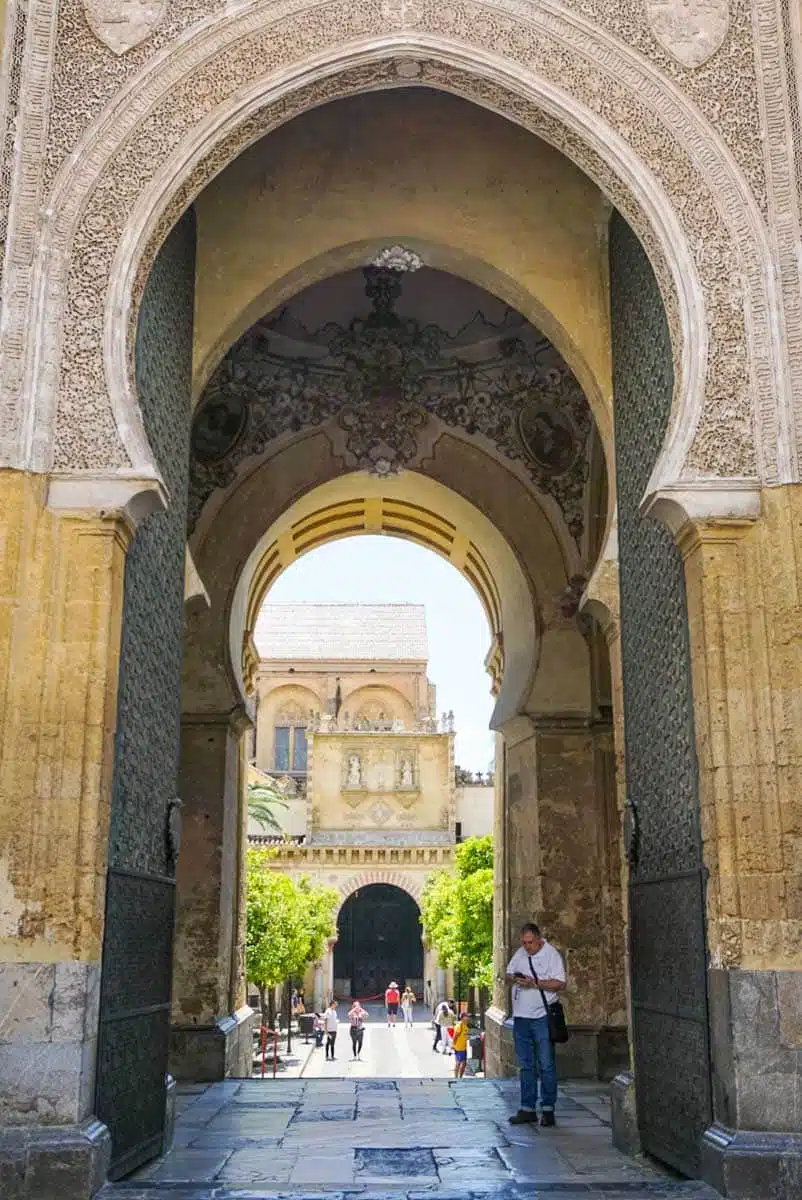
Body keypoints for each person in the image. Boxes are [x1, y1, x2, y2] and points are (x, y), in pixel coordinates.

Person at [505, 921, 566, 1127]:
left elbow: (560, 984)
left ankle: (548, 1108)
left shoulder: (551, 955)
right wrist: (515, 979)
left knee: (546, 1064)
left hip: (541, 1017)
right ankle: (527, 1108)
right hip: (521, 1018)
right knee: (526, 1065)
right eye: (524, 943)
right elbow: (507, 975)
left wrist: (535, 983)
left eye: (530, 943)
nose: (527, 947)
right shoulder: (520, 954)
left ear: (539, 940)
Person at [451, 1011, 470, 1079]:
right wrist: (453, 1045)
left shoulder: (465, 1025)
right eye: (466, 1017)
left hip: (464, 1048)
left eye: (468, 1017)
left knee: (464, 1064)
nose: (468, 1018)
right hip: (459, 1048)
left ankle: (460, 1077)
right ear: (462, 1018)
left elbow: (465, 1035)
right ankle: (456, 1078)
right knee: (458, 1063)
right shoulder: (459, 1026)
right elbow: (455, 1036)